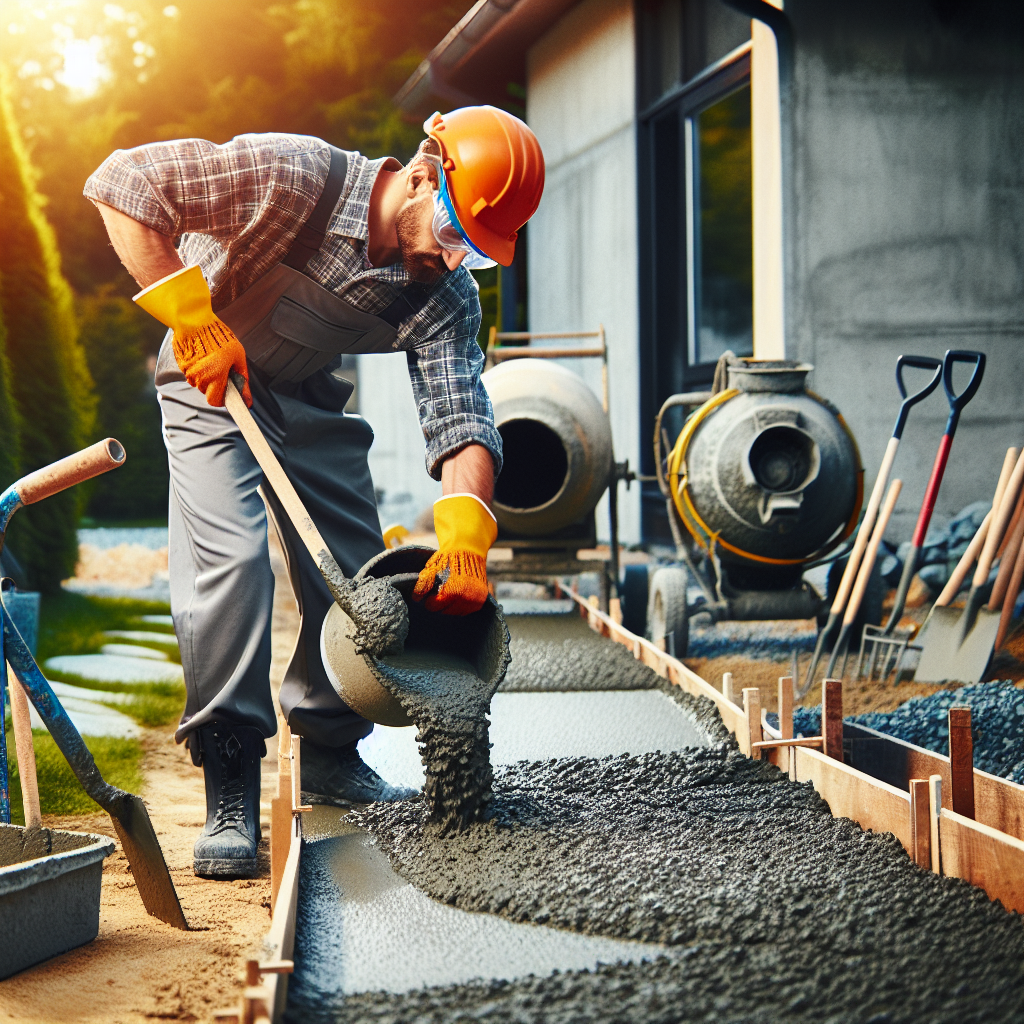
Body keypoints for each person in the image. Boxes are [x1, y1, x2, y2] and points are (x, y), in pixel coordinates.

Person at [84, 106, 545, 879]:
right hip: (211, 383)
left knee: (360, 572)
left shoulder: (440, 294)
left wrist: (467, 535)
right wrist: (190, 316)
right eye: (456, 234)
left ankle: (330, 750)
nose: (456, 259)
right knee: (231, 562)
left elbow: (461, 412)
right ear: (426, 175)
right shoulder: (297, 179)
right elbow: (123, 183)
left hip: (305, 394)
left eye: (476, 253)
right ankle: (228, 779)